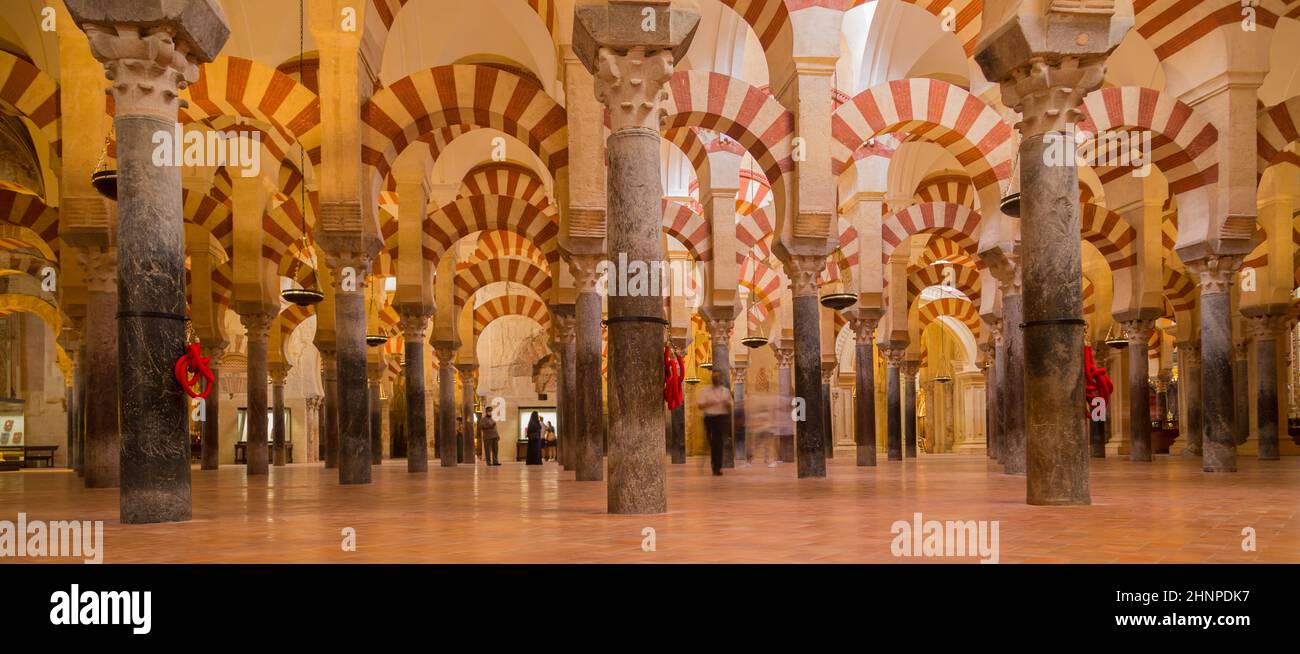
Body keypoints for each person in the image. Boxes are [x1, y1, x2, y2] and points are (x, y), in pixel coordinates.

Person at [696, 370, 733, 476]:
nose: (715, 378)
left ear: (720, 378)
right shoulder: (705, 391)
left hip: (721, 418)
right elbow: (700, 405)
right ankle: (715, 465)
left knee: (718, 443)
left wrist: (726, 404)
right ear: (711, 378)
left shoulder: (725, 391)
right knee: (713, 443)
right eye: (714, 376)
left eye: (717, 376)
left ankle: (717, 467)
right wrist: (710, 403)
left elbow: (730, 407)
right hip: (710, 419)